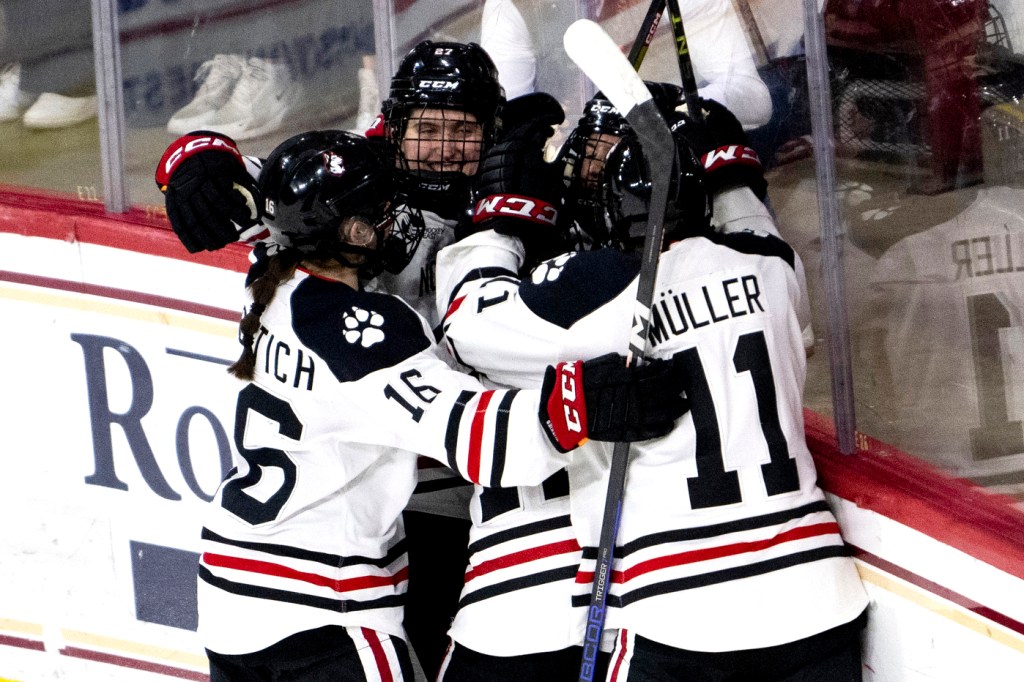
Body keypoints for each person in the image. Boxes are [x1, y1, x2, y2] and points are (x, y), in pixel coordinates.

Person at [197, 129, 687, 681]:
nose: (397, 218)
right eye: (381, 209)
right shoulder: (371, 332)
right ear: (352, 231)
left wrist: (207, 155)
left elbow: (281, 201)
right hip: (322, 613)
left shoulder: (268, 276)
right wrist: (579, 405)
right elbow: (477, 440)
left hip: (229, 600)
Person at [435, 97, 869, 679]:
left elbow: (466, 325)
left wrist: (502, 221)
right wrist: (733, 176)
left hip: (676, 611)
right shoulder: (773, 268)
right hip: (817, 594)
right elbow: (752, 229)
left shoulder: (590, 292)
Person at [155, 40, 515, 679]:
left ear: (493, 132)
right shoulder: (361, 180)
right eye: (425, 129)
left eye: (463, 131)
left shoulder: (513, 193)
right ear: (395, 123)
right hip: (380, 499)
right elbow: (247, 176)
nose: (440, 149)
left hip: (469, 494)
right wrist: (196, 158)